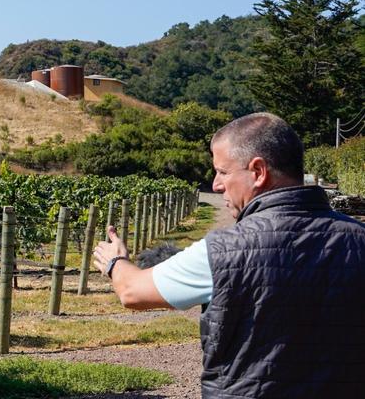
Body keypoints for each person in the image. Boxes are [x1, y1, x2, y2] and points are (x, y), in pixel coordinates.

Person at [93, 112, 365, 398]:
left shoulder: (221, 250)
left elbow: (132, 291)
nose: (215, 184)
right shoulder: (360, 239)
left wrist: (115, 261)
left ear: (258, 172)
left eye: (223, 171)